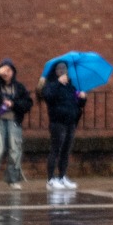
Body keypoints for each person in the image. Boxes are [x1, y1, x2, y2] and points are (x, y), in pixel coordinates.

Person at [0, 59, 33, 191]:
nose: (6, 73)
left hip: (14, 121)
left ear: (13, 72)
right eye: (4, 70)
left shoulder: (19, 87)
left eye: (9, 70)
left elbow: (28, 103)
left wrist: (13, 104)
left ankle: (13, 179)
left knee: (15, 150)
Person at [41, 61, 87, 190]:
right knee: (56, 149)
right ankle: (50, 179)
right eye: (60, 69)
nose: (63, 71)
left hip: (70, 121)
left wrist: (82, 98)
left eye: (65, 69)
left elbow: (78, 103)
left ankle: (62, 176)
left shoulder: (71, 86)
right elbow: (47, 96)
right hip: (57, 122)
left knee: (66, 150)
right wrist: (57, 83)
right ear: (55, 72)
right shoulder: (51, 85)